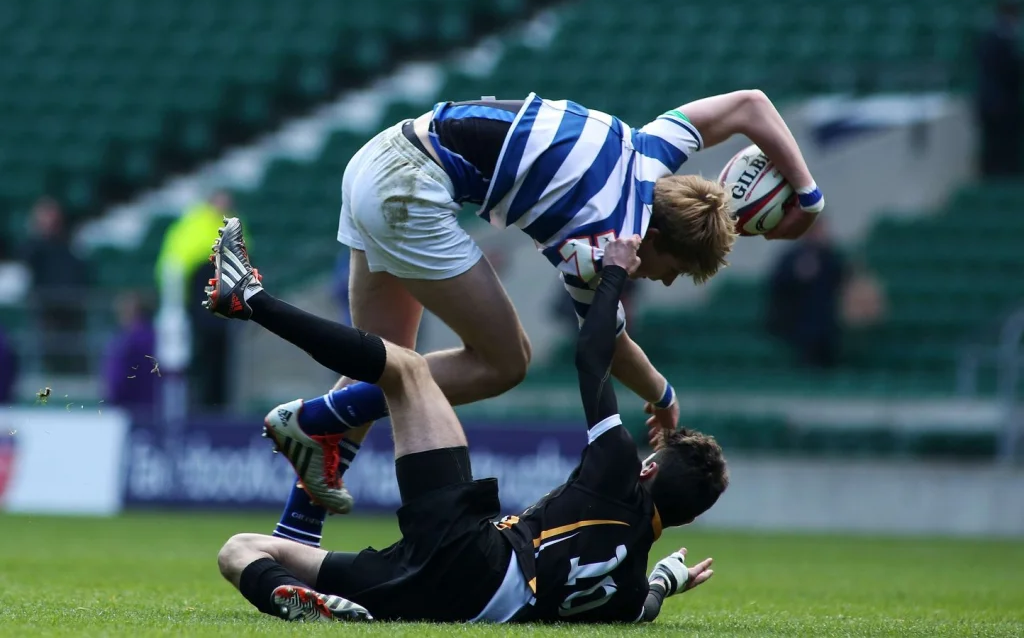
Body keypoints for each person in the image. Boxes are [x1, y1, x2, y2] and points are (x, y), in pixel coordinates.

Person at [233, 90, 820, 533]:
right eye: (671, 269)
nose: (661, 280)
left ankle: (295, 534)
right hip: (409, 189)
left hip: (380, 155)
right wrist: (662, 395)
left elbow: (749, 104)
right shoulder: (602, 242)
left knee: (381, 366)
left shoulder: (649, 147)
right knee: (506, 361)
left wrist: (808, 195)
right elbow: (609, 346)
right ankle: (316, 417)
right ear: (660, 239)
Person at [209, 219, 728, 623]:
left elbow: (592, 355)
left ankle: (253, 303)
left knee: (408, 369)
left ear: (648, 470)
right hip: (430, 595)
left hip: (470, 554)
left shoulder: (619, 473)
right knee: (241, 551)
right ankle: (295, 597)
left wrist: (613, 271)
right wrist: (666, 580)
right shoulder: (630, 594)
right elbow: (648, 606)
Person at [155, 190, 239, 410]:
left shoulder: (232, 223)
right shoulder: (194, 223)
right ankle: (198, 403)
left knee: (220, 356)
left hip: (223, 298)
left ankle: (216, 403)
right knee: (198, 354)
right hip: (200, 297)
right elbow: (176, 264)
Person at [21, 196, 90, 374]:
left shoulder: (71, 245)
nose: (51, 222)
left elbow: (78, 274)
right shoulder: (32, 247)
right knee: (46, 363)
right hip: (45, 313)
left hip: (71, 312)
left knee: (72, 359)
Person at [766, 220, 847, 369]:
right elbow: (777, 286)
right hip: (798, 324)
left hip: (827, 325)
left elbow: (842, 279)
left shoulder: (831, 257)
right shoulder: (791, 258)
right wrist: (797, 273)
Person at [975, 0, 1023, 177]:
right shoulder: (995, 40)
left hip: (998, 102)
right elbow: (1006, 70)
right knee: (996, 145)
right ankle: (995, 175)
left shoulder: (997, 39)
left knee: (1002, 144)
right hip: (997, 102)